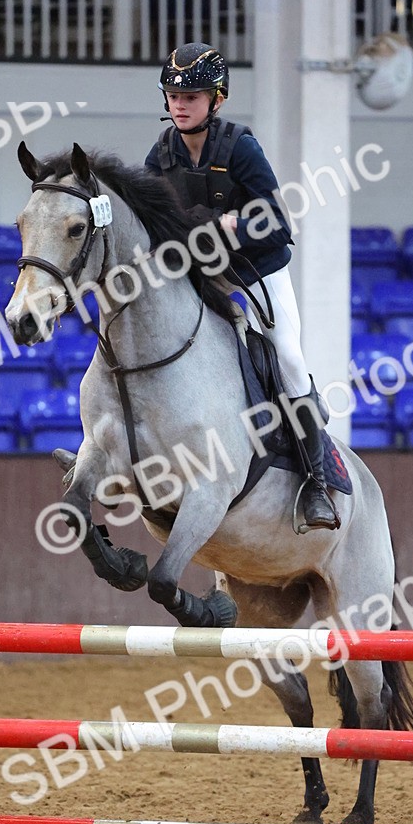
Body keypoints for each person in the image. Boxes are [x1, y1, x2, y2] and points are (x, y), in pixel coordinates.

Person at [145, 42, 339, 533]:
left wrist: (236, 228)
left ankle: (317, 481)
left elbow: (278, 220)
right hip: (200, 276)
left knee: (289, 358)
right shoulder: (160, 154)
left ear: (217, 98)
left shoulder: (239, 147)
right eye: (172, 94)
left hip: (257, 272)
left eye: (191, 95)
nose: (180, 103)